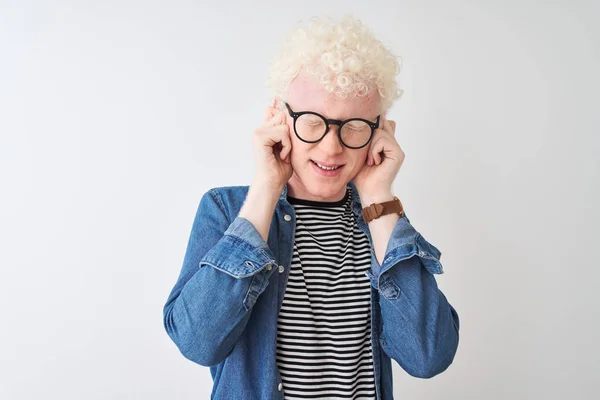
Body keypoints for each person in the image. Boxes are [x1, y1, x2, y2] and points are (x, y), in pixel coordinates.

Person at [163, 15, 460, 400]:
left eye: (354, 125)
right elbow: (197, 342)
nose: (331, 147)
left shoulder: (381, 221)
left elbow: (428, 358)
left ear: (380, 130)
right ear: (278, 118)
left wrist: (379, 199)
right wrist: (266, 188)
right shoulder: (227, 209)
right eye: (312, 121)